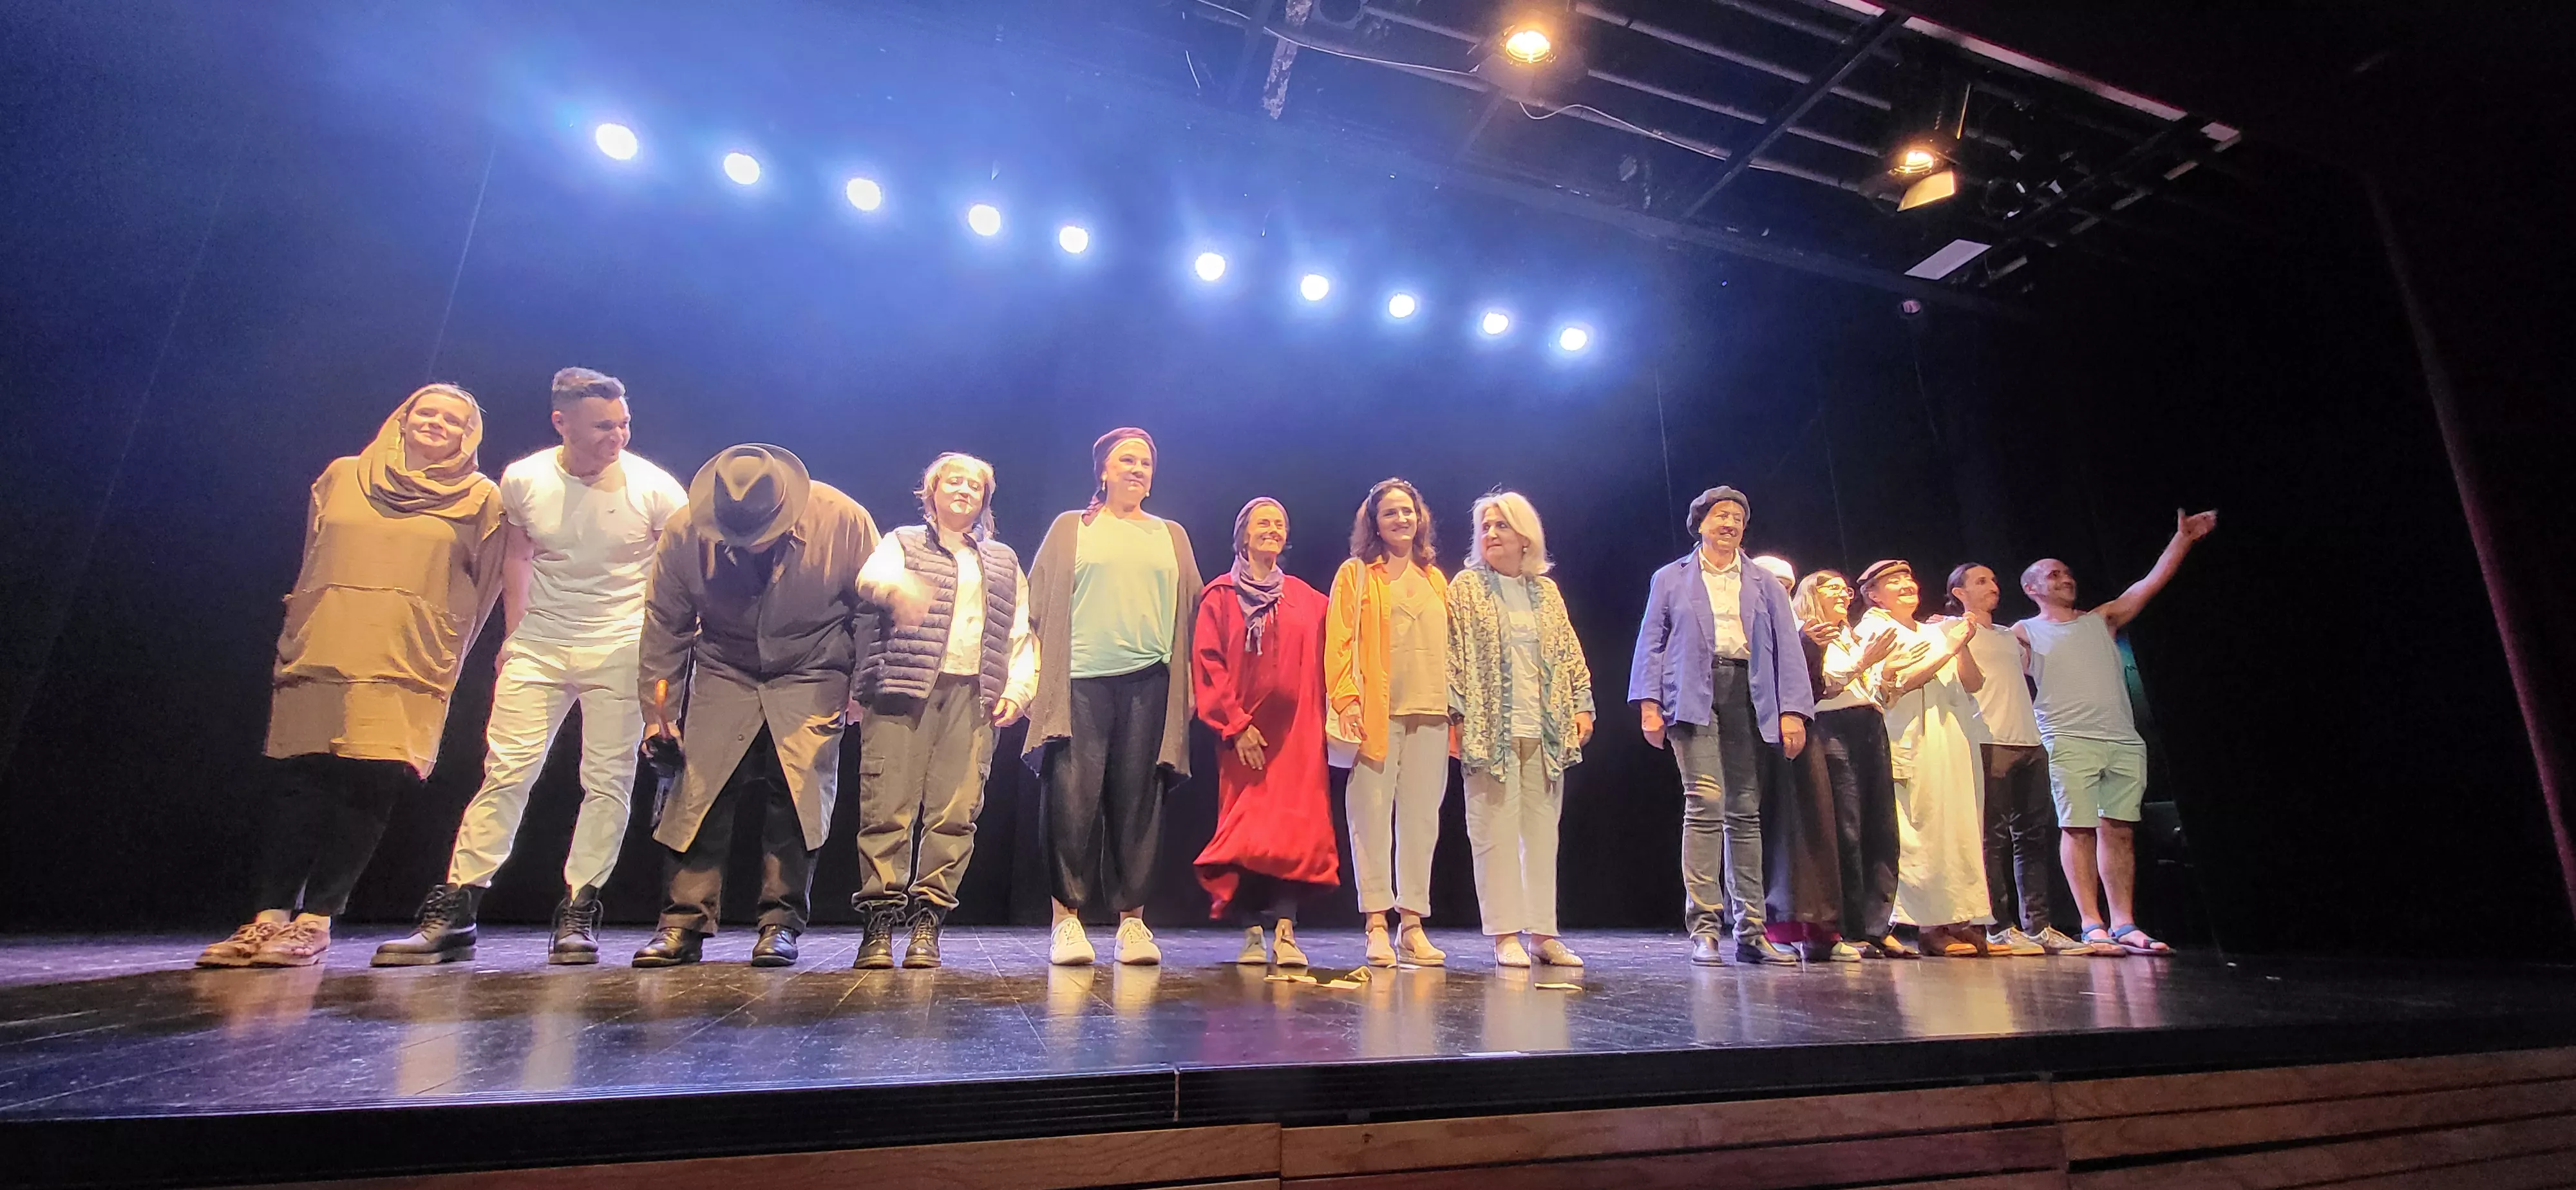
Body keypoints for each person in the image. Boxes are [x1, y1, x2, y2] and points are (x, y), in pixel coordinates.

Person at [373, 368, 688, 968]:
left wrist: (661, 672)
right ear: (561, 422)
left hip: (621, 645)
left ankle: (579, 909)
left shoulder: (655, 489)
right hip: (541, 643)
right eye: (602, 427)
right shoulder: (524, 478)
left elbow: (676, 577)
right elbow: (519, 553)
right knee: (507, 770)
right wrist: (515, 633)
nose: (616, 436)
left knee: (607, 779)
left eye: (623, 424)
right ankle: (459, 906)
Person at [198, 384, 507, 968]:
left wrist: (449, 656)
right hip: (326, 640)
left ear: (469, 437)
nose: (437, 424)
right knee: (302, 780)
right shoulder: (343, 475)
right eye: (428, 413)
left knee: (369, 781)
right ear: (403, 418)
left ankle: (315, 922)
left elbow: (486, 586)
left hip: (406, 655)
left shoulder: (480, 499)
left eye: (453, 420)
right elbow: (314, 550)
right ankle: (266, 918)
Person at [630, 444, 905, 968]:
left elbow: (872, 611)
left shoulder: (843, 518)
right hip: (724, 664)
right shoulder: (687, 529)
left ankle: (780, 923)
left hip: (813, 664)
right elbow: (665, 622)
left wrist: (862, 689)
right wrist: (658, 713)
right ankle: (681, 923)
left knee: (798, 793)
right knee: (699, 792)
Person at [847, 453, 1035, 970]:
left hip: (973, 694)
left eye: (974, 485)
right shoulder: (902, 543)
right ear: (931, 493)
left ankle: (927, 921)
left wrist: (1018, 689)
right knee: (887, 806)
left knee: (956, 813)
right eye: (953, 481)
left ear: (984, 500)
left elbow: (1020, 628)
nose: (963, 490)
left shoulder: (1002, 560)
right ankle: (880, 923)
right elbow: (870, 580)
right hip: (903, 690)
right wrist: (899, 588)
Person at [1023, 428, 1201, 967]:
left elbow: (1191, 614)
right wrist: (1032, 677)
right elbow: (1033, 608)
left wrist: (1187, 685)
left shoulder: (1171, 535)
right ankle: (1067, 921)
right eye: (1127, 460)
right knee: (1071, 802)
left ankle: (1132, 924)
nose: (1137, 470)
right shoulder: (1069, 529)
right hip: (1077, 682)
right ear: (1102, 470)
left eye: (1146, 462)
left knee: (1138, 802)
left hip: (1149, 683)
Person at [2016, 509, 2217, 957]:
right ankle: (2092, 923)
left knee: (2120, 830)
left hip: (2121, 738)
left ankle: (2124, 921)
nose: (2065, 579)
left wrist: (2182, 540)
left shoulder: (2102, 619)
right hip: (2068, 738)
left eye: (2067, 573)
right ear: (2032, 589)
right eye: (2054, 574)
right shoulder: (2024, 631)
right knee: (2079, 828)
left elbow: (2149, 584)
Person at [1628, 486, 1814, 966]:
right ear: (1701, 523)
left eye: (1737, 517)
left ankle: (1751, 932)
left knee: (1745, 811)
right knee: (1705, 802)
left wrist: (1793, 710)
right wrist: (1649, 702)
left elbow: (1789, 651)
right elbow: (1652, 639)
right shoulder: (1671, 578)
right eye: (1720, 515)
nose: (1729, 523)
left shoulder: (1765, 583)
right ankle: (1705, 929)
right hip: (1692, 692)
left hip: (1749, 696)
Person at [1448, 492, 1593, 968]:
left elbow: (1569, 653)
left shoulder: (1546, 593)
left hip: (1545, 730)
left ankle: (1544, 934)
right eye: (1486, 527)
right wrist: (1456, 715)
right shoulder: (1466, 588)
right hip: (1490, 732)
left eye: (1501, 526)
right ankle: (1505, 934)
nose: (1490, 535)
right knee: (1494, 833)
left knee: (1541, 834)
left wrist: (1582, 705)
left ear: (1524, 536)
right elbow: (1452, 656)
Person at [1191, 498, 1337, 968]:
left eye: (1279, 524)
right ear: (1243, 535)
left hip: (1297, 737)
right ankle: (1252, 932)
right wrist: (1236, 726)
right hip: (1246, 736)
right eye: (1262, 523)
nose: (1272, 530)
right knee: (1249, 836)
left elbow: (1347, 638)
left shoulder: (1308, 599)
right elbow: (1208, 664)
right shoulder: (1220, 595)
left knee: (1294, 832)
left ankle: (1287, 932)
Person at [1325, 478, 1453, 967]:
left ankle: (1413, 923)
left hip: (1431, 712)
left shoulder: (1435, 578)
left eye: (1408, 511)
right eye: (1391, 513)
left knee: (1422, 821)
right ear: (1374, 523)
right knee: (1370, 819)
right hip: (1377, 716)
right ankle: (1376, 922)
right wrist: (1347, 700)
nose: (1402, 520)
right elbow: (1338, 643)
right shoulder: (1356, 575)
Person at [1944, 564, 2085, 956]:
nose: (1993, 586)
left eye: (1994, 579)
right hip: (1989, 741)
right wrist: (1957, 634)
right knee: (1992, 839)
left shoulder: (2009, 636)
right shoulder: (1953, 631)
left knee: (2033, 837)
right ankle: (1997, 925)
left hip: (2029, 741)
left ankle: (2039, 925)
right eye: (1981, 582)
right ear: (1960, 594)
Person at [1855, 560, 1993, 957]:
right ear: (1874, 595)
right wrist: (1949, 646)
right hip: (1912, 737)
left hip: (1951, 736)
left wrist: (1960, 643)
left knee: (1958, 829)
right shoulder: (1874, 629)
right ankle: (1929, 926)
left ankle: (1958, 918)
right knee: (1922, 832)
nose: (1906, 585)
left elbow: (1974, 683)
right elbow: (1897, 683)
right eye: (1893, 582)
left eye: (1909, 579)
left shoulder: (1935, 630)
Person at [1794, 571, 1913, 959]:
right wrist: (1865, 661)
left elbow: (1873, 689)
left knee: (1881, 824)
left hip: (1869, 723)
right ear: (1812, 593)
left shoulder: (1852, 635)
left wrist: (1886, 673)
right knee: (1847, 827)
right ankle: (1847, 925)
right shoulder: (1809, 632)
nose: (1844, 595)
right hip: (1833, 726)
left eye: (1845, 590)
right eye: (1833, 588)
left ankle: (1878, 924)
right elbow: (1825, 684)